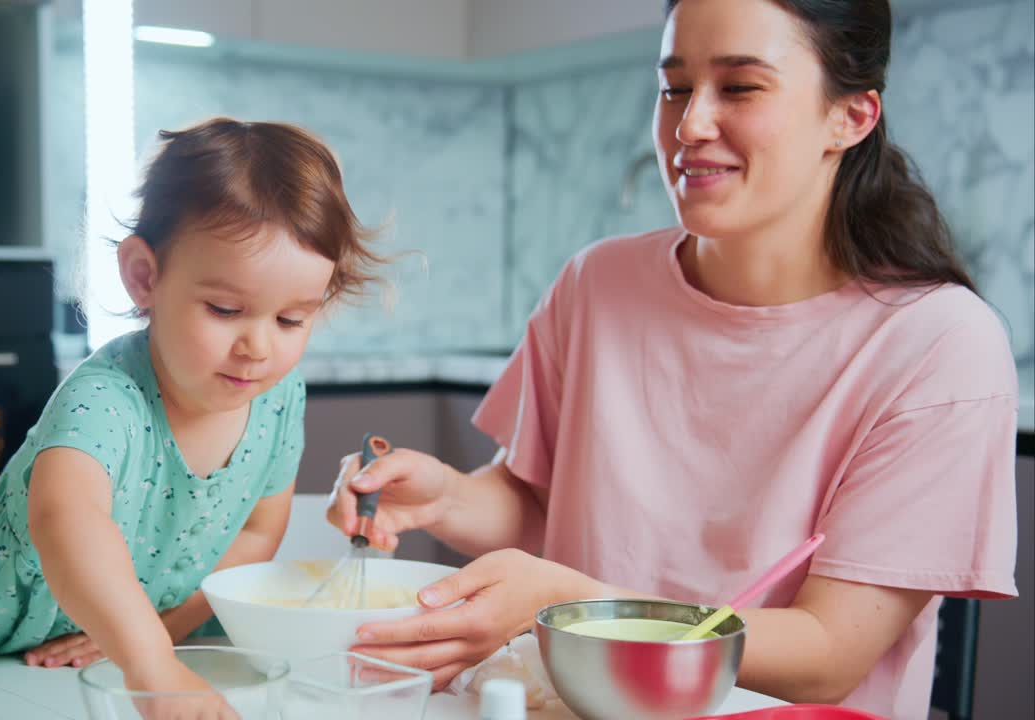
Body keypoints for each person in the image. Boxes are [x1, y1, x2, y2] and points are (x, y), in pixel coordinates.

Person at [326, 1, 1018, 717]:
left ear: (852, 117)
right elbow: (537, 503)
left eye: (740, 87)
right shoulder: (596, 285)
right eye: (674, 88)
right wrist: (445, 496)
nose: (688, 126)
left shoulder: (938, 344)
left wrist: (582, 606)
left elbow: (828, 655)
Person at [0, 118, 382, 716]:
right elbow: (67, 521)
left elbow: (257, 531)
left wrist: (166, 634)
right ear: (144, 277)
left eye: (292, 320)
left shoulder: (278, 398)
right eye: (227, 308)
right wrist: (149, 663)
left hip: (154, 656)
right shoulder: (105, 399)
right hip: (3, 671)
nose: (259, 348)